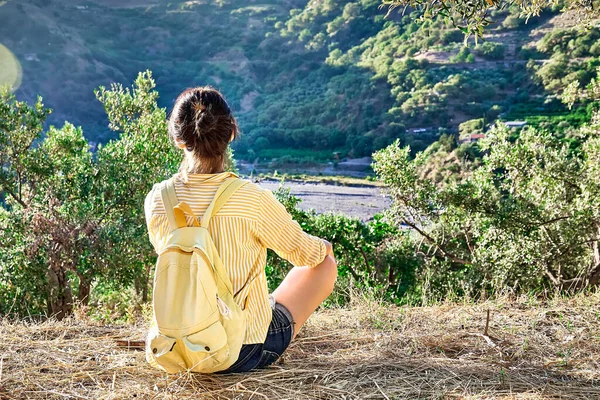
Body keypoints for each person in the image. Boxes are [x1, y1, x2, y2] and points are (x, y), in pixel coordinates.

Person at [144, 87, 338, 373]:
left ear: (178, 139)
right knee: (324, 263)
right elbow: (308, 257)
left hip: (177, 348)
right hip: (243, 350)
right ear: (231, 133)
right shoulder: (252, 199)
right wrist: (325, 247)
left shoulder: (158, 200)